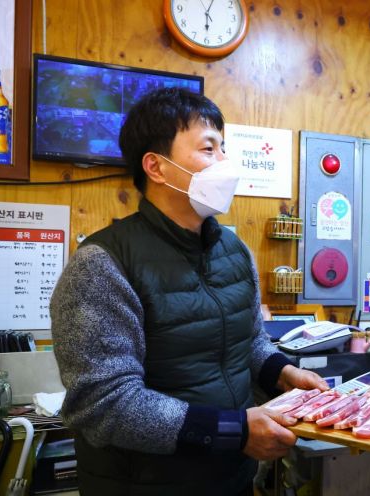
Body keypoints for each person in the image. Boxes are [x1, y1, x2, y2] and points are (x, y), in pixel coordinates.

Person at [50, 88, 327, 495]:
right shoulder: (102, 263)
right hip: (143, 484)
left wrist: (283, 373)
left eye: (224, 149)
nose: (225, 164)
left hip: (230, 477)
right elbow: (104, 403)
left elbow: (248, 343)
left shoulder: (234, 251)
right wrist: (234, 431)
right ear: (156, 167)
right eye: (208, 148)